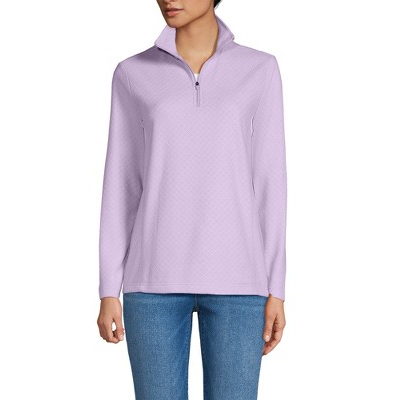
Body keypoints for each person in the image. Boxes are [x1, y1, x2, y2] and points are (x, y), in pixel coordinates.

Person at [97, 0, 287, 398]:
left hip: (239, 283)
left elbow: (270, 182)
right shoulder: (132, 73)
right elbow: (121, 182)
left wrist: (276, 287)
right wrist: (108, 288)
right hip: (152, 282)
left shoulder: (260, 69)